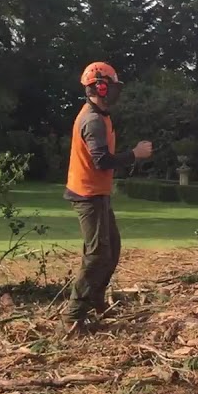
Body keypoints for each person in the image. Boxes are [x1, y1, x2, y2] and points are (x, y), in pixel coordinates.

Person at [61, 61, 152, 335]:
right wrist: (134, 154)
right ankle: (73, 317)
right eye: (111, 86)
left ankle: (95, 302)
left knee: (111, 249)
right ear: (100, 86)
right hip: (88, 194)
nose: (115, 91)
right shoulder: (92, 120)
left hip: (97, 193)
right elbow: (101, 160)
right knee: (97, 254)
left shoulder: (101, 115)